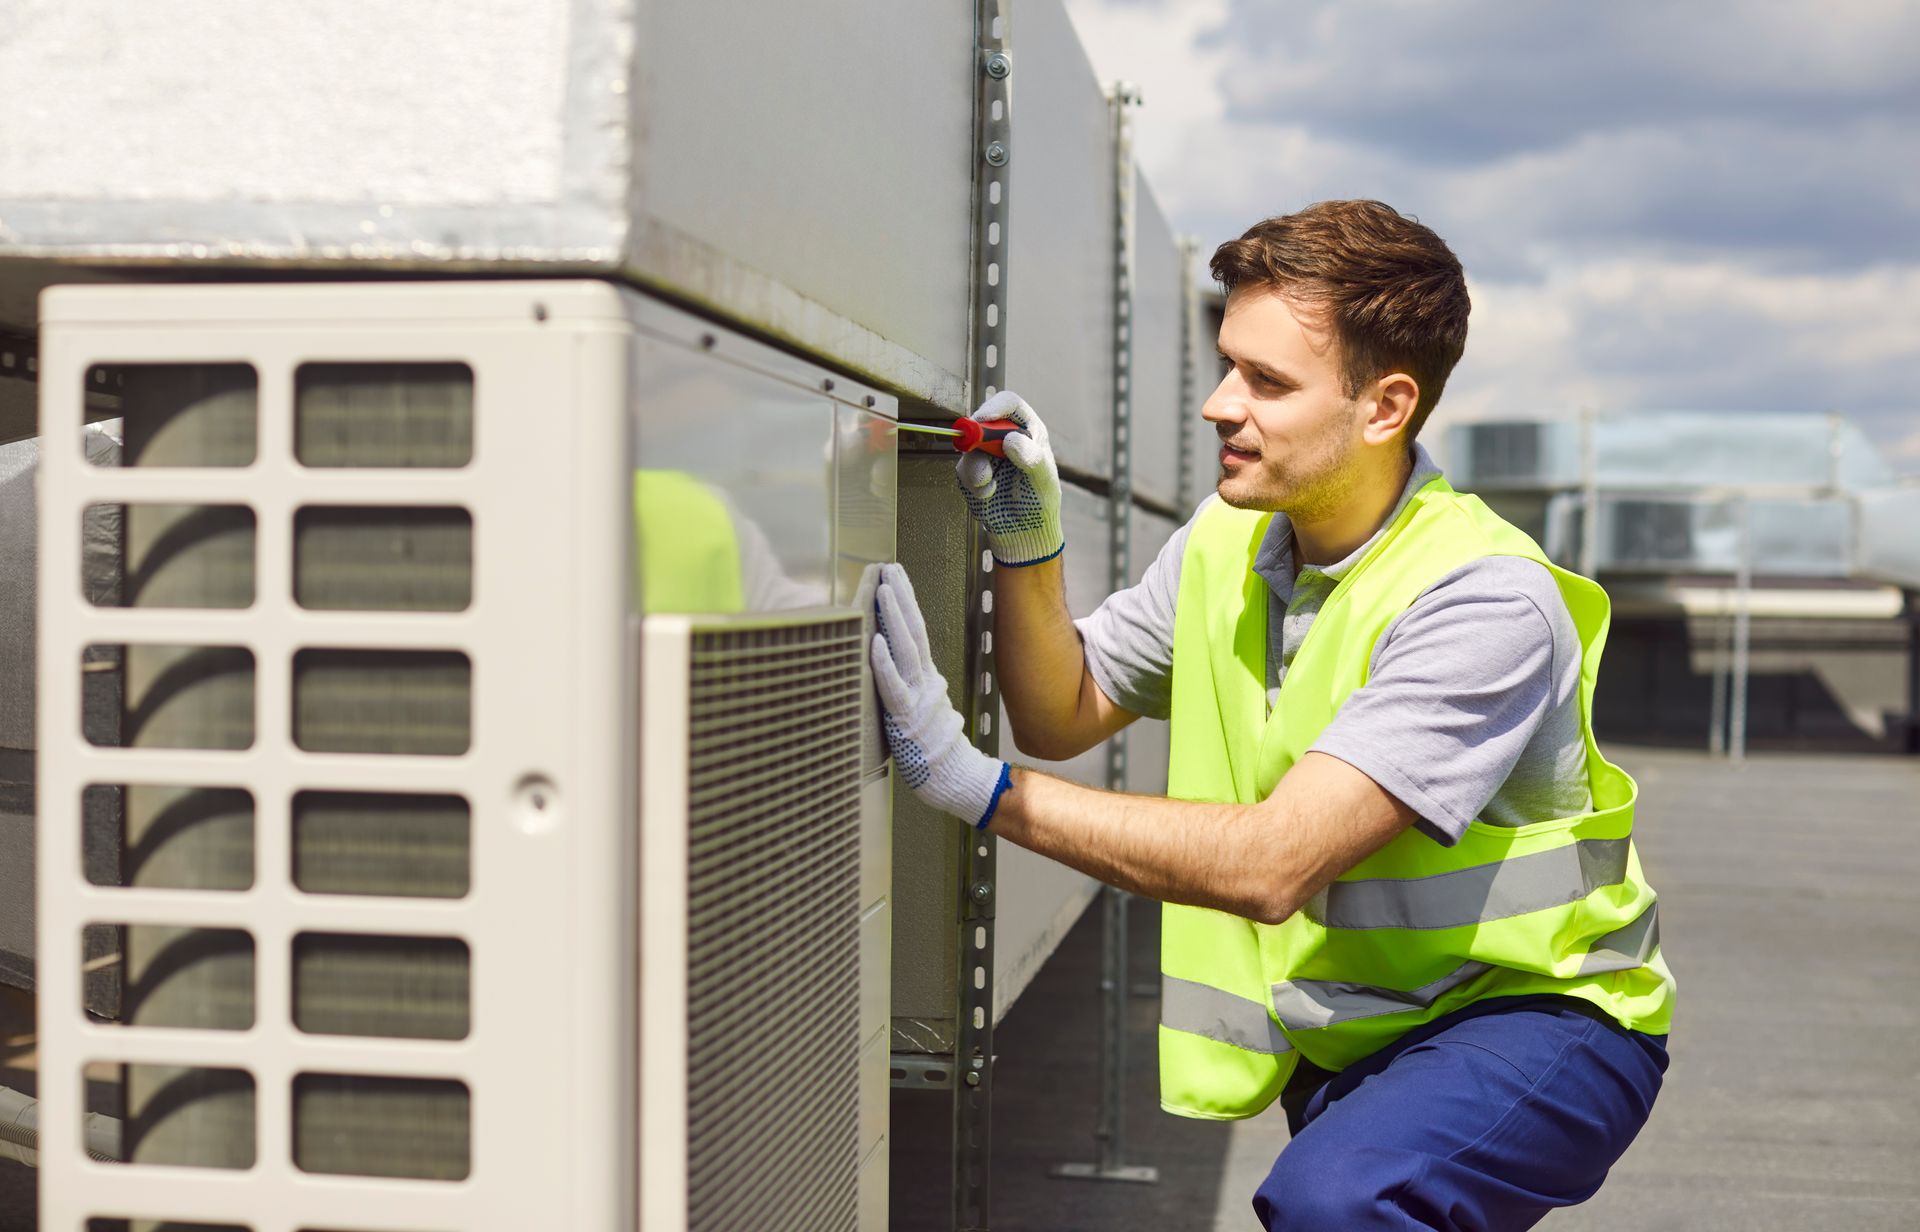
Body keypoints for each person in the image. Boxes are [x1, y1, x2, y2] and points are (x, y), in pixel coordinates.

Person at [868, 200, 1674, 1230]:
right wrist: (1029, 545)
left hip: (1542, 1015)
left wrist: (971, 785)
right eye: (1227, 364)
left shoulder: (1483, 599)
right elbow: (1063, 709)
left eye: (1266, 380)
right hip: (1361, 1028)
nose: (1217, 403)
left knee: (1342, 1199)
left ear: (1386, 407)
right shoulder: (1229, 540)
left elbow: (1272, 863)